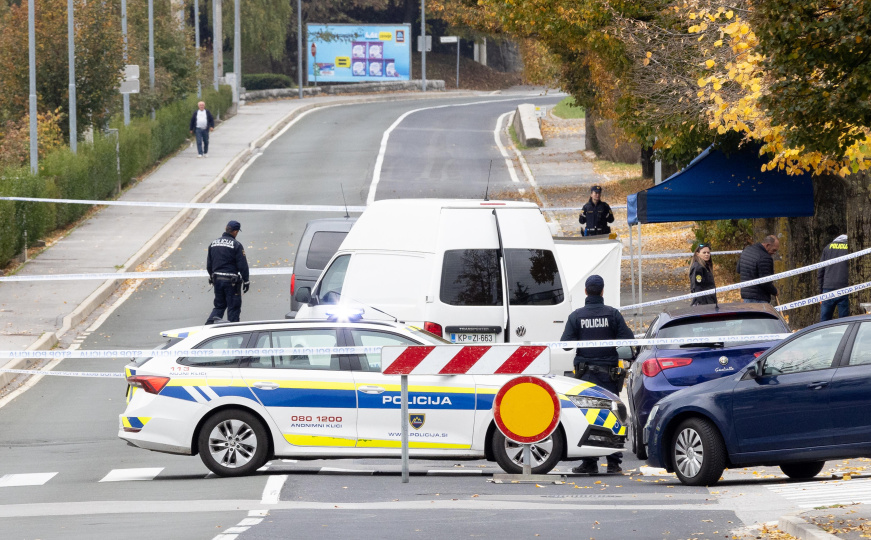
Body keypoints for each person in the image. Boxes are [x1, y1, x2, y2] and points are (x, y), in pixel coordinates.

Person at [560, 274, 634, 475]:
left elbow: (565, 345)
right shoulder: (612, 314)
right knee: (612, 415)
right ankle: (613, 463)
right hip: (608, 376)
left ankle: (589, 463)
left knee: (587, 415)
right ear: (602, 292)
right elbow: (628, 339)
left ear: (585, 291)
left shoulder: (576, 316)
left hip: (585, 376)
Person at [206, 220, 250, 324]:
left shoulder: (213, 243)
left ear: (226, 228)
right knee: (233, 308)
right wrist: (246, 280)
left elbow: (209, 265)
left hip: (217, 279)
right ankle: (232, 333)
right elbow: (242, 265)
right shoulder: (236, 245)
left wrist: (213, 277)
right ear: (235, 231)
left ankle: (208, 328)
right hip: (231, 282)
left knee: (219, 306)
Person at [737, 235, 780, 304]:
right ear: (767, 245)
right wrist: (775, 291)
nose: (774, 253)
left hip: (746, 296)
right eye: (774, 250)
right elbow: (765, 282)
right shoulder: (765, 258)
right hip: (759, 298)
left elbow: (738, 270)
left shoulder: (747, 250)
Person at [818, 234, 849, 321]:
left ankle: (824, 334)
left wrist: (820, 292)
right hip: (844, 288)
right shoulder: (850, 247)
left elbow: (821, 271)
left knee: (824, 320)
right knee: (844, 321)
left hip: (827, 288)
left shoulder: (827, 248)